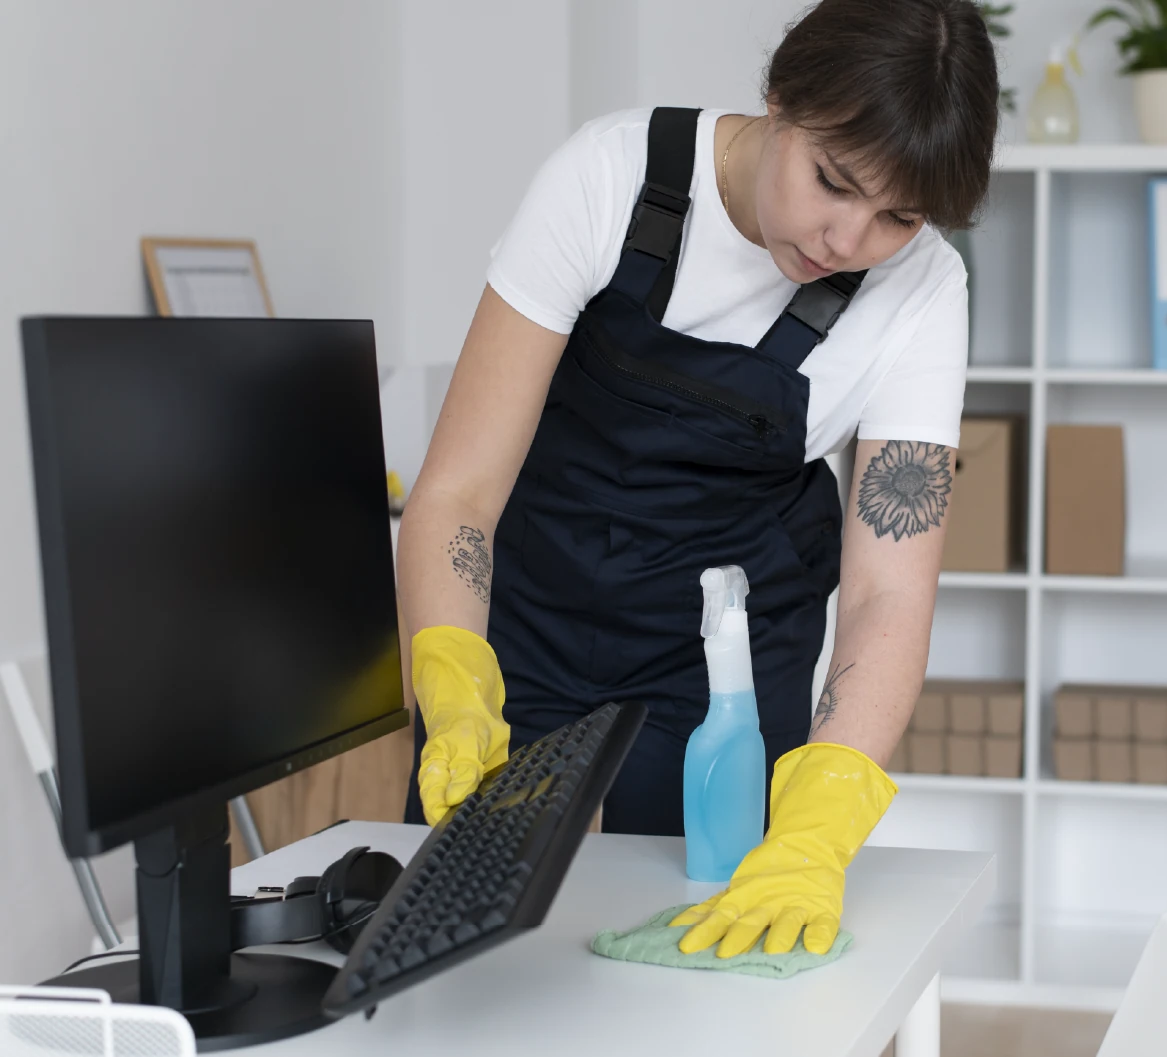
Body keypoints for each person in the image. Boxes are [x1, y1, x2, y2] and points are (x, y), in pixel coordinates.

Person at [394, 0, 999, 960]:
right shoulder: (607, 177)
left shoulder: (923, 288)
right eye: (832, 182)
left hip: (721, 669)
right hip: (526, 622)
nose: (847, 241)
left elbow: (888, 590)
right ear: (779, 98)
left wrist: (827, 802)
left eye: (898, 215)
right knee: (466, 954)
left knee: (699, 953)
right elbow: (458, 491)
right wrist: (455, 679)